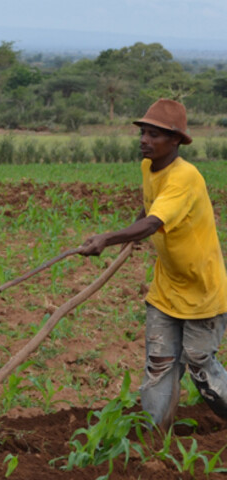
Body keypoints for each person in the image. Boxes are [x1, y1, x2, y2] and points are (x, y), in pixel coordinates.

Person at [78, 98, 227, 430]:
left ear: (175, 140)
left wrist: (108, 238)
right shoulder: (149, 167)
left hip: (202, 290)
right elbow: (149, 211)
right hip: (167, 286)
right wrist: (130, 232)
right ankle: (152, 435)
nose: (145, 140)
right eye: (143, 133)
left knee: (200, 365)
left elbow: (152, 223)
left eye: (154, 134)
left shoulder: (185, 177)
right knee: (159, 363)